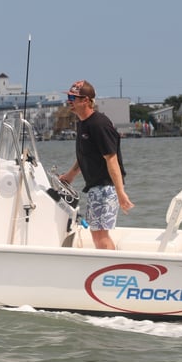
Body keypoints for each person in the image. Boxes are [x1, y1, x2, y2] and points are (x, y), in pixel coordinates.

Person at [58, 80, 133, 250]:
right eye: (69, 97)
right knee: (96, 233)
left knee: (101, 235)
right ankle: (107, 268)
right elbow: (85, 155)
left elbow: (111, 159)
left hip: (106, 188)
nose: (69, 101)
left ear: (85, 100)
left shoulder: (99, 124)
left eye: (73, 98)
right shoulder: (83, 123)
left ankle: (111, 270)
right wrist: (70, 175)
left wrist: (120, 193)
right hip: (94, 187)